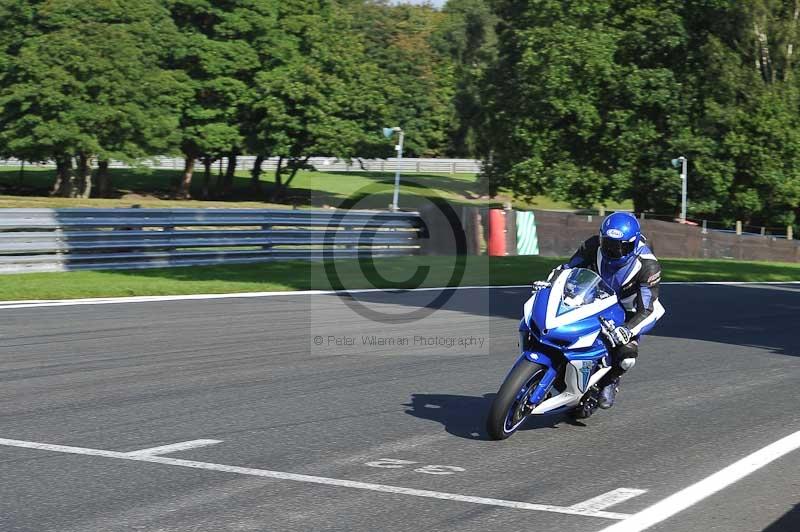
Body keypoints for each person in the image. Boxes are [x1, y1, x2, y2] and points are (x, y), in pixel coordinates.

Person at [562, 212, 665, 409]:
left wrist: (627, 329)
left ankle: (611, 380)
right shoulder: (593, 245)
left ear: (633, 245)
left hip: (625, 311)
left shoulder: (648, 266)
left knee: (627, 357)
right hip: (590, 297)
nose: (612, 251)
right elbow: (568, 269)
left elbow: (647, 309)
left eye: (620, 247)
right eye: (608, 244)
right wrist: (555, 278)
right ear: (601, 238)